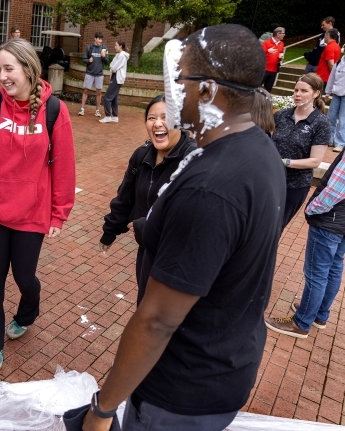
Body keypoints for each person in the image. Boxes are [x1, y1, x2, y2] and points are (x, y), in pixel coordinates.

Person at [80, 24, 286, 431]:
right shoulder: (258, 149)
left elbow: (157, 320)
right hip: (224, 361)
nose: (176, 90)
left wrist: (102, 409)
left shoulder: (211, 188)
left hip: (181, 390)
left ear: (207, 91)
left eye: (183, 80)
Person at [0, 38, 75, 372]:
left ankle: (27, 312)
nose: (2, 76)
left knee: (25, 277)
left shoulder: (54, 110)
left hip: (32, 212)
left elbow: (64, 165)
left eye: (9, 68)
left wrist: (59, 213)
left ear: (29, 69)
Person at [99, 94, 196, 303]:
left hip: (179, 257)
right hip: (148, 249)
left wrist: (148, 226)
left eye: (166, 117)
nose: (158, 123)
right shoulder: (142, 155)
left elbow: (193, 218)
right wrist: (110, 231)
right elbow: (125, 197)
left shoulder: (194, 161)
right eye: (151, 118)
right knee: (145, 302)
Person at [265, 150, 345, 338]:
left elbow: (336, 188)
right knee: (334, 267)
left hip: (330, 219)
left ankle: (301, 322)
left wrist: (313, 208)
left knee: (317, 272)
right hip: (341, 221)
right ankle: (319, 314)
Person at [271, 73, 330, 228]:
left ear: (316, 93)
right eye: (296, 90)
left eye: (304, 91)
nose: (297, 94)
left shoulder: (321, 123)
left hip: (294, 186)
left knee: (274, 228)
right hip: (271, 179)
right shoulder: (282, 116)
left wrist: (285, 162)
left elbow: (315, 161)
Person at [99, 40, 129, 123]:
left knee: (107, 98)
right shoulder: (118, 55)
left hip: (117, 78)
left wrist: (112, 68)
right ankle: (115, 116)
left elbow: (114, 67)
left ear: (120, 46)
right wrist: (112, 67)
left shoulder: (122, 56)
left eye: (116, 45)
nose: (115, 47)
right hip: (115, 77)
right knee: (114, 98)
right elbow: (111, 65)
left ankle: (108, 116)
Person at [79, 32, 108, 117]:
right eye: (99, 39)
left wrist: (103, 56)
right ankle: (82, 109)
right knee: (85, 90)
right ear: (95, 38)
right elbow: (84, 59)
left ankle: (97, 110)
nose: (100, 41)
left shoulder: (104, 48)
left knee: (99, 92)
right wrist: (88, 60)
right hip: (90, 73)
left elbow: (106, 62)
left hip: (99, 73)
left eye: (101, 39)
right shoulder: (90, 47)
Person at [325, 53, 345, 152]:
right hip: (336, 95)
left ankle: (340, 143)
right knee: (330, 117)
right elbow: (331, 78)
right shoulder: (338, 63)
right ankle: (328, 139)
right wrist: (327, 92)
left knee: (343, 120)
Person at [261, 27, 285, 92]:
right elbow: (259, 54)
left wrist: (281, 57)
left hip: (274, 70)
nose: (284, 35)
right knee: (257, 86)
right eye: (283, 33)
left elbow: (280, 53)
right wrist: (268, 51)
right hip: (264, 69)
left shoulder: (281, 44)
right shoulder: (266, 43)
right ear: (278, 34)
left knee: (268, 89)